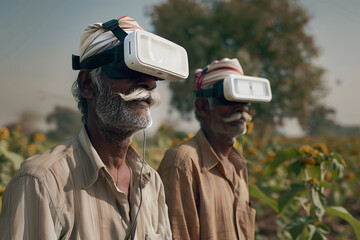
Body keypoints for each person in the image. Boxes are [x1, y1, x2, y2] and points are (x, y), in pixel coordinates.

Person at [0, 16, 174, 239]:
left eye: (152, 75)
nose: (149, 84)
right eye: (129, 68)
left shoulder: (151, 182)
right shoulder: (41, 182)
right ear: (88, 85)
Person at [158, 58, 271, 240]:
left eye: (245, 100)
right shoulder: (182, 162)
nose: (242, 108)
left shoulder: (238, 164)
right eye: (230, 99)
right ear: (203, 107)